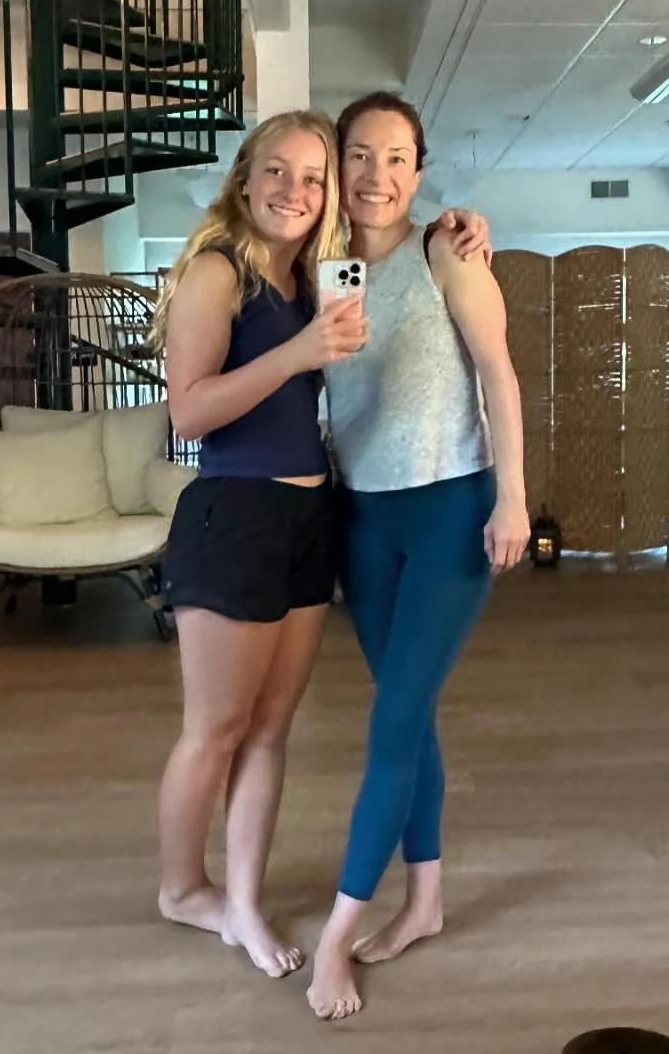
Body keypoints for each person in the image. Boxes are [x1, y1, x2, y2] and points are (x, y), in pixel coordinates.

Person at [153, 108, 492, 980]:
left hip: (312, 518)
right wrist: (299, 352)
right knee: (215, 729)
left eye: (312, 177)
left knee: (270, 731)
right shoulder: (218, 270)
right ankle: (182, 889)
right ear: (244, 176)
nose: (294, 190)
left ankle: (242, 901)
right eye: (277, 170)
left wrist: (460, 222)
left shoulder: (314, 274)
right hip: (234, 516)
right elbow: (188, 413)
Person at [306, 92, 530, 1021]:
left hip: (449, 513)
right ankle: (425, 900)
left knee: (394, 721)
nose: (378, 174)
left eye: (397, 157)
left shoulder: (448, 250)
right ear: (339, 164)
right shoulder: (327, 265)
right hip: (364, 518)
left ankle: (336, 935)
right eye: (361, 154)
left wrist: (513, 497)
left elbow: (499, 375)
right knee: (412, 710)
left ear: (420, 170)